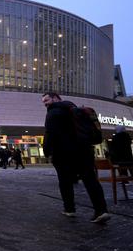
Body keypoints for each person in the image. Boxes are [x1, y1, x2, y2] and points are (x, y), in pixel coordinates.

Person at [42, 92, 110, 223]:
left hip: (63, 153)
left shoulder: (53, 113)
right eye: (43, 102)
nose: (45, 103)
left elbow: (49, 133)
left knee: (65, 181)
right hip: (84, 150)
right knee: (90, 179)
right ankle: (101, 210)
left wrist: (47, 151)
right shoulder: (75, 109)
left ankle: (69, 209)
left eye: (47, 100)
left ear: (56, 98)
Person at [109, 125, 133, 198]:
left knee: (124, 172)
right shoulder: (127, 136)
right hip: (128, 159)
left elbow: (112, 149)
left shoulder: (115, 138)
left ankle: (125, 181)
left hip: (119, 160)